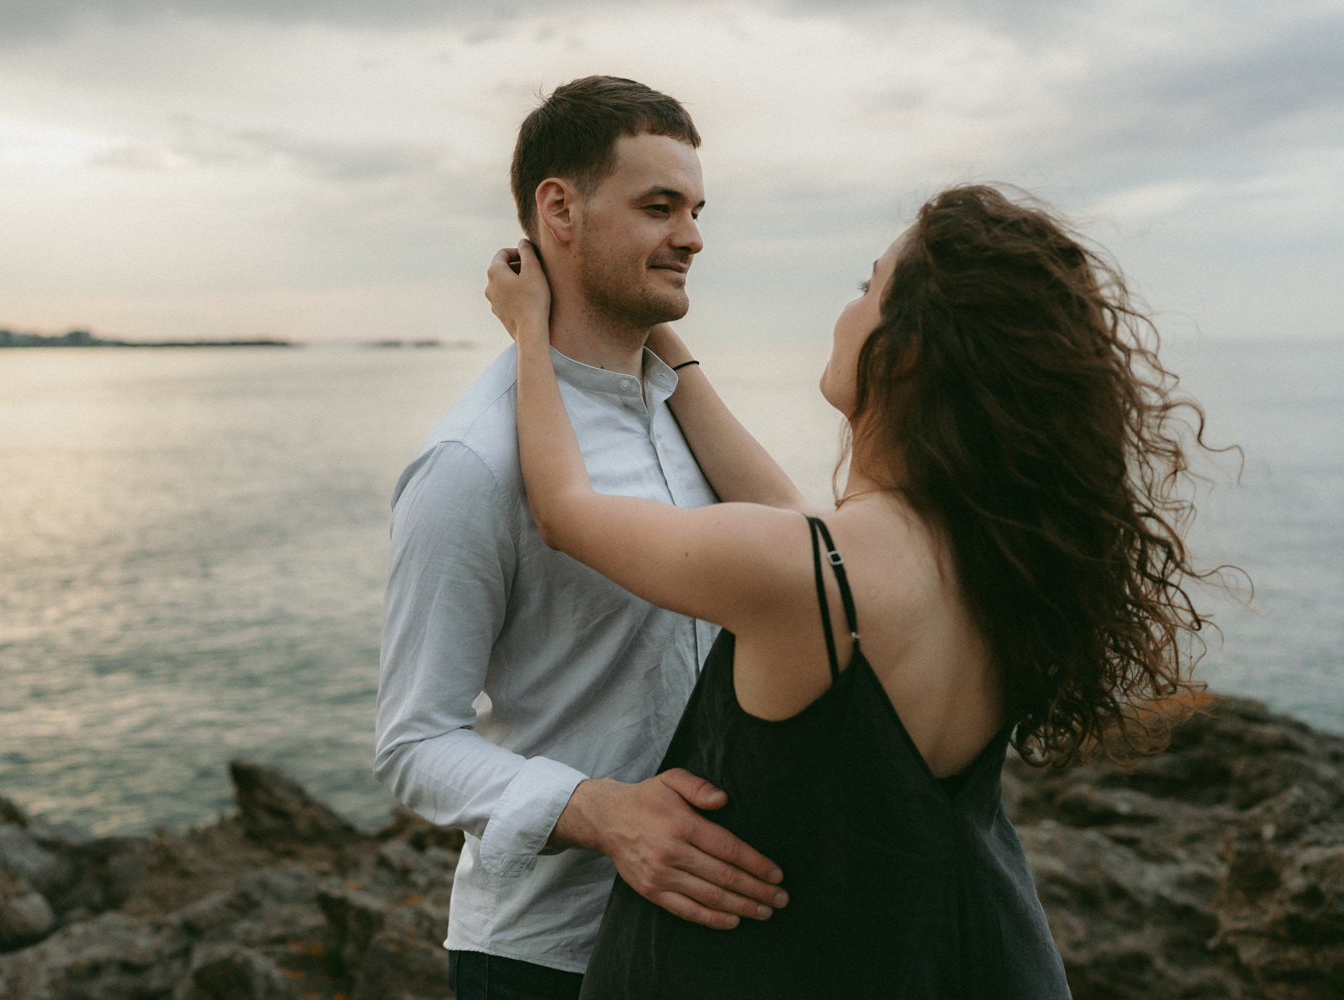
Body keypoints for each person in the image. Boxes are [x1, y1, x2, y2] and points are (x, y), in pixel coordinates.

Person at [486, 184, 1218, 998]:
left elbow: (564, 511)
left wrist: (528, 330)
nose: (848, 307)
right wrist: (663, 340)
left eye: (867, 287)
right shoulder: (986, 552)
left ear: (906, 350)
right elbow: (784, 514)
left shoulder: (810, 571)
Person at [374, 76, 787, 1000]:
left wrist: (672, 351)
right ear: (557, 209)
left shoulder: (682, 415)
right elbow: (413, 743)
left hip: (712, 938)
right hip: (547, 960)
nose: (692, 236)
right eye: (658, 206)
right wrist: (599, 812)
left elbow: (802, 544)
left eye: (695, 209)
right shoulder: (471, 463)